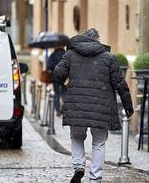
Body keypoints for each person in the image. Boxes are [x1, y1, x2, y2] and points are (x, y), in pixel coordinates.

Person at [53, 28, 134, 183]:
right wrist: (127, 105)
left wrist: (68, 72)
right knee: (98, 142)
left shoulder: (71, 54)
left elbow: (57, 72)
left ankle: (79, 166)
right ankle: (95, 178)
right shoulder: (108, 57)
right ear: (98, 39)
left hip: (77, 106)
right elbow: (120, 83)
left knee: (77, 136)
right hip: (101, 107)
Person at [47, 46, 67, 115]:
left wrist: (54, 67)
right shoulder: (66, 54)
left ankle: (57, 109)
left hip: (55, 77)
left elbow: (49, 66)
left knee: (57, 93)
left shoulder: (53, 55)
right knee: (64, 92)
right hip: (64, 77)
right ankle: (63, 105)